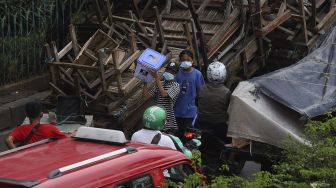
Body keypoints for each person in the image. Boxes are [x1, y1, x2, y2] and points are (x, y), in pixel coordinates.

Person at [195, 61, 231, 174]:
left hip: (200, 123)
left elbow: (196, 103)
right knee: (228, 144)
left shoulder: (202, 89)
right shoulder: (227, 92)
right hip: (219, 126)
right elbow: (229, 109)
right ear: (224, 75)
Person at [174, 50, 205, 142]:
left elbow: (201, 92)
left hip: (191, 112)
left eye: (188, 59)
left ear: (192, 61)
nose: (186, 62)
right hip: (177, 111)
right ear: (180, 61)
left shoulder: (197, 74)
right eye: (183, 60)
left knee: (191, 137)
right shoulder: (177, 74)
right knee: (179, 137)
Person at [143, 62, 180, 131]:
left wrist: (157, 78)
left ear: (175, 74)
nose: (168, 72)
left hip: (167, 119)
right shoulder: (160, 84)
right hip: (156, 117)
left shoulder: (176, 86)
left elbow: (164, 94)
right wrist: (145, 83)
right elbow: (146, 97)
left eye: (171, 72)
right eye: (167, 70)